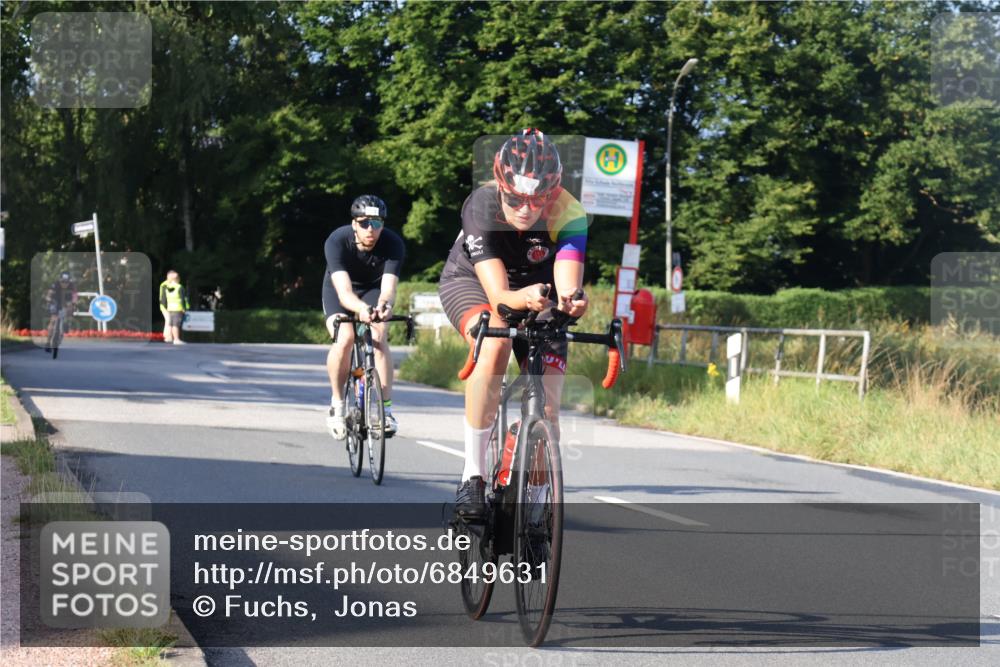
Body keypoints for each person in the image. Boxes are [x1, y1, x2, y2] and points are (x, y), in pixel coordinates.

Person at [438, 129, 589, 519]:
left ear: (553, 192)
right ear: (500, 185)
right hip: (474, 282)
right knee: (495, 344)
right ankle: (472, 476)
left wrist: (571, 301)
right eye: (516, 198)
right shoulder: (482, 205)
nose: (526, 209)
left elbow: (567, 281)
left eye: (538, 199)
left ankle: (535, 508)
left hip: (538, 289)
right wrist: (523, 298)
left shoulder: (569, 212)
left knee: (549, 408)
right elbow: (500, 297)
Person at [324, 195, 406, 440]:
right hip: (339, 290)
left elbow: (388, 289)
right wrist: (360, 309)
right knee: (345, 337)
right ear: (354, 224)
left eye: (377, 223)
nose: (371, 229)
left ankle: (385, 411)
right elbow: (344, 292)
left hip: (372, 290)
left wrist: (384, 306)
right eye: (364, 223)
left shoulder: (393, 244)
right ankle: (337, 404)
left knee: (379, 335)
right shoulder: (337, 241)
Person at [44, 271, 78, 352]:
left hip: (66, 302)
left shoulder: (72, 286)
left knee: (70, 309)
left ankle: (66, 323)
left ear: (69, 281)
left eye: (66, 282)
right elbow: (49, 294)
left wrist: (73, 303)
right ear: (60, 280)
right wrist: (48, 299)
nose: (64, 284)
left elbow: (75, 296)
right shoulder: (55, 284)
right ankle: (48, 342)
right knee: (53, 320)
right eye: (62, 281)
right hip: (56, 302)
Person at [159, 270, 190, 345]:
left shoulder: (168, 285)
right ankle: (170, 338)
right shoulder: (171, 285)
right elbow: (164, 298)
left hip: (170, 307)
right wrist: (184, 308)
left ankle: (169, 337)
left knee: (170, 323)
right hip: (173, 308)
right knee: (172, 323)